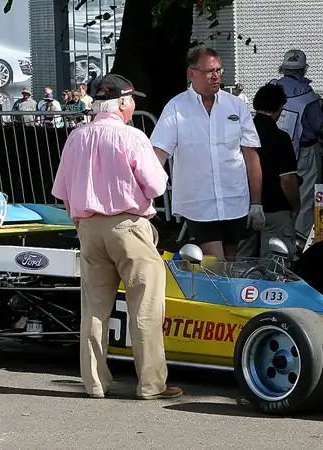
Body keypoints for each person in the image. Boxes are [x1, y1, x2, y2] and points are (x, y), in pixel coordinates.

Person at [50, 73, 180, 400]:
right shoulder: (132, 136)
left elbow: (63, 190)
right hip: (129, 226)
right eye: (132, 99)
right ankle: (151, 384)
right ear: (122, 102)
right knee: (145, 307)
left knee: (94, 309)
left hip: (89, 227)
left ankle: (94, 382)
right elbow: (156, 186)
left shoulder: (76, 138)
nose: (133, 104)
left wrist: (81, 222)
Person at [150, 45, 263, 258]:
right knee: (216, 261)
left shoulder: (236, 106)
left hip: (234, 200)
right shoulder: (176, 107)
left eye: (219, 70)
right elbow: (158, 154)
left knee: (229, 261)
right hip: (198, 204)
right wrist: (147, 195)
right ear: (192, 73)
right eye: (210, 71)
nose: (216, 76)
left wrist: (257, 203)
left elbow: (251, 156)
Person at [270, 49, 323, 243]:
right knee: (305, 199)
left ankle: (278, 243)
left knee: (277, 197)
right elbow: (319, 125)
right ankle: (300, 245)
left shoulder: (271, 89)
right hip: (304, 153)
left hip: (273, 152)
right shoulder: (307, 95)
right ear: (304, 69)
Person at [237, 83, 300, 258]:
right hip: (275, 209)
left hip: (243, 207)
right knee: (275, 265)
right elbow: (288, 180)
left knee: (241, 263)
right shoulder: (280, 137)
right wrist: (295, 206)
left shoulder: (240, 134)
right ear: (279, 107)